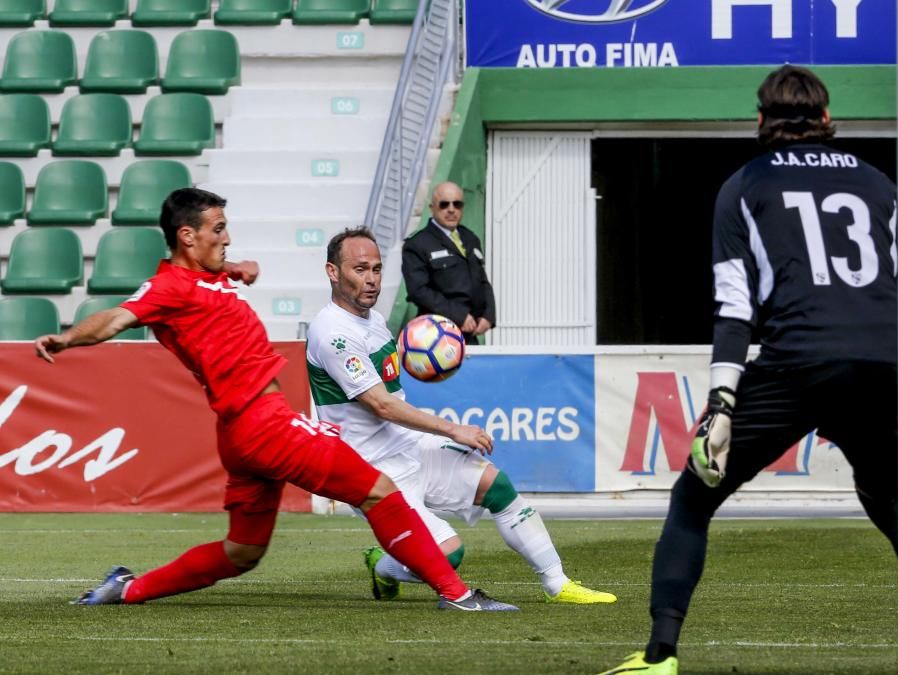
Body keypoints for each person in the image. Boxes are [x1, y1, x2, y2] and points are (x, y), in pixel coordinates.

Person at [588, 65, 898, 675]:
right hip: (886, 364)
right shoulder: (880, 184)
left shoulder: (744, 185)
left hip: (796, 360)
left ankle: (660, 655)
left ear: (760, 121)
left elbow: (734, 305)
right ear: (827, 120)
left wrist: (723, 399)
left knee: (693, 498)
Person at [34, 187, 517, 613]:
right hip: (264, 421)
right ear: (187, 236)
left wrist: (238, 271)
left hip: (241, 434)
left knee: (243, 553)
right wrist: (67, 339)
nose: (227, 238)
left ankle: (127, 589)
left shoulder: (208, 276)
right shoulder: (169, 287)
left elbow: (218, 283)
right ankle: (458, 595)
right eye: (218, 230)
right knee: (379, 490)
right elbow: (117, 318)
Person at [307, 226, 615, 604]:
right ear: (332, 272)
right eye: (359, 270)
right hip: (371, 469)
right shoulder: (331, 333)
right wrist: (454, 429)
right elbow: (381, 404)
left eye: (376, 269)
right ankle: (385, 566)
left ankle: (558, 584)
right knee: (449, 554)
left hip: (407, 445)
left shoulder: (373, 319)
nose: (371, 280)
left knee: (498, 488)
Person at [402, 181, 496, 344]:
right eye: (444, 204)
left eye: (457, 204)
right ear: (432, 208)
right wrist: (458, 316)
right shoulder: (417, 244)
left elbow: (482, 281)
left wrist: (488, 315)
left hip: (469, 335)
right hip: (436, 336)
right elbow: (419, 290)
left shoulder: (470, 238)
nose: (451, 209)